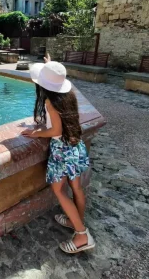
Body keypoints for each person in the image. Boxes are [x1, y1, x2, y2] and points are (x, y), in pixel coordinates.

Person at [23, 61, 95, 254]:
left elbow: (55, 129)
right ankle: (76, 221)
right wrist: (50, 64)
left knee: (59, 190)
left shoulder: (50, 102)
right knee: (77, 188)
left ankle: (82, 235)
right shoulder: (67, 95)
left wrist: (36, 133)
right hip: (74, 144)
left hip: (61, 150)